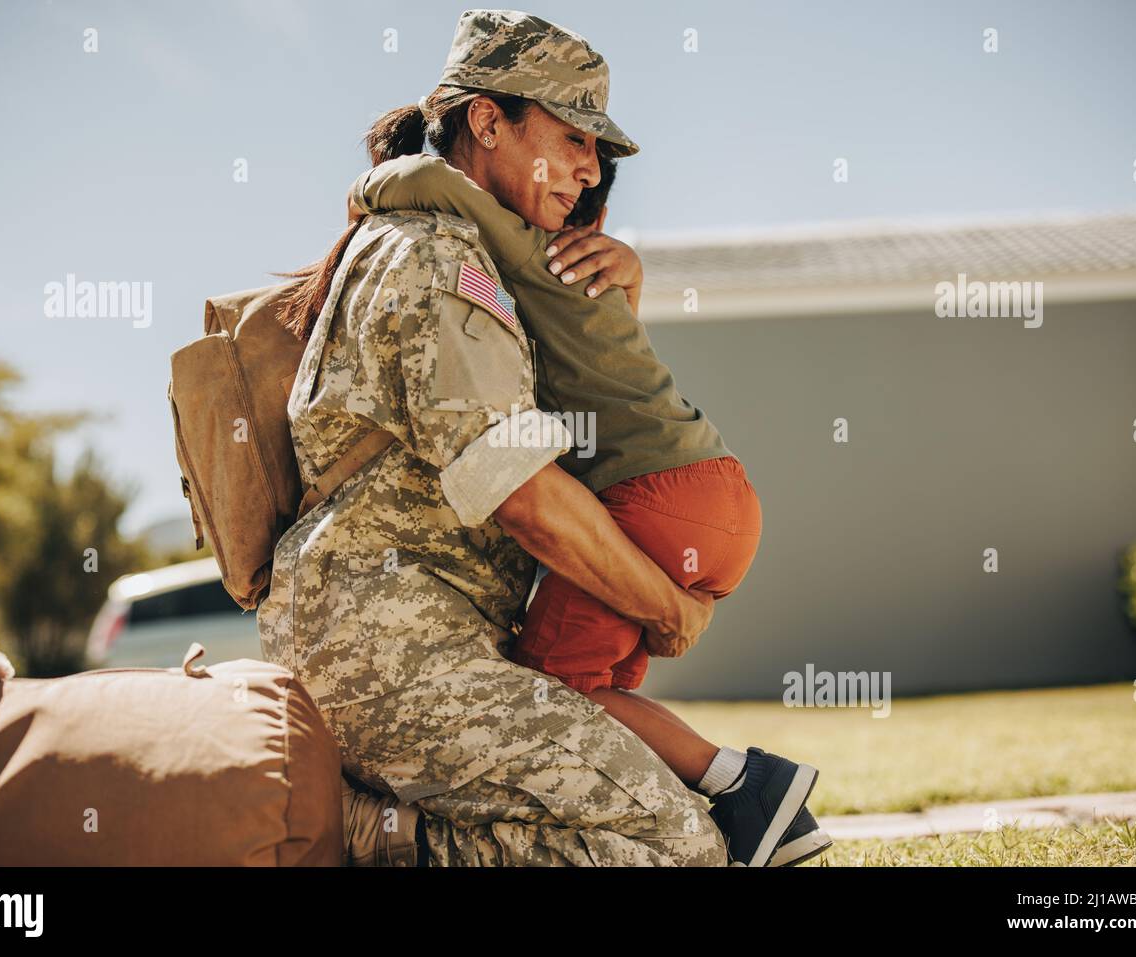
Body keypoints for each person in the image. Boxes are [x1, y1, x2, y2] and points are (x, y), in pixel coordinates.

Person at [259, 9, 801, 866]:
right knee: (676, 843)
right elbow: (527, 496)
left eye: (600, 151)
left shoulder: (474, 252)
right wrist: (670, 607)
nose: (590, 170)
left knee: (680, 821)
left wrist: (624, 298)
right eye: (575, 135)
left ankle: (378, 823)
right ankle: (363, 834)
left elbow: (597, 413)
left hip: (437, 640)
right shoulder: (438, 260)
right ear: (487, 122)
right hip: (393, 653)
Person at [345, 138, 830, 868]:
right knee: (599, 693)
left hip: (655, 496)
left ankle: (752, 786)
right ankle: (734, 809)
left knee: (555, 697)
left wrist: (367, 189)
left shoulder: (536, 259)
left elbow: (434, 182)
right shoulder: (598, 283)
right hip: (722, 495)